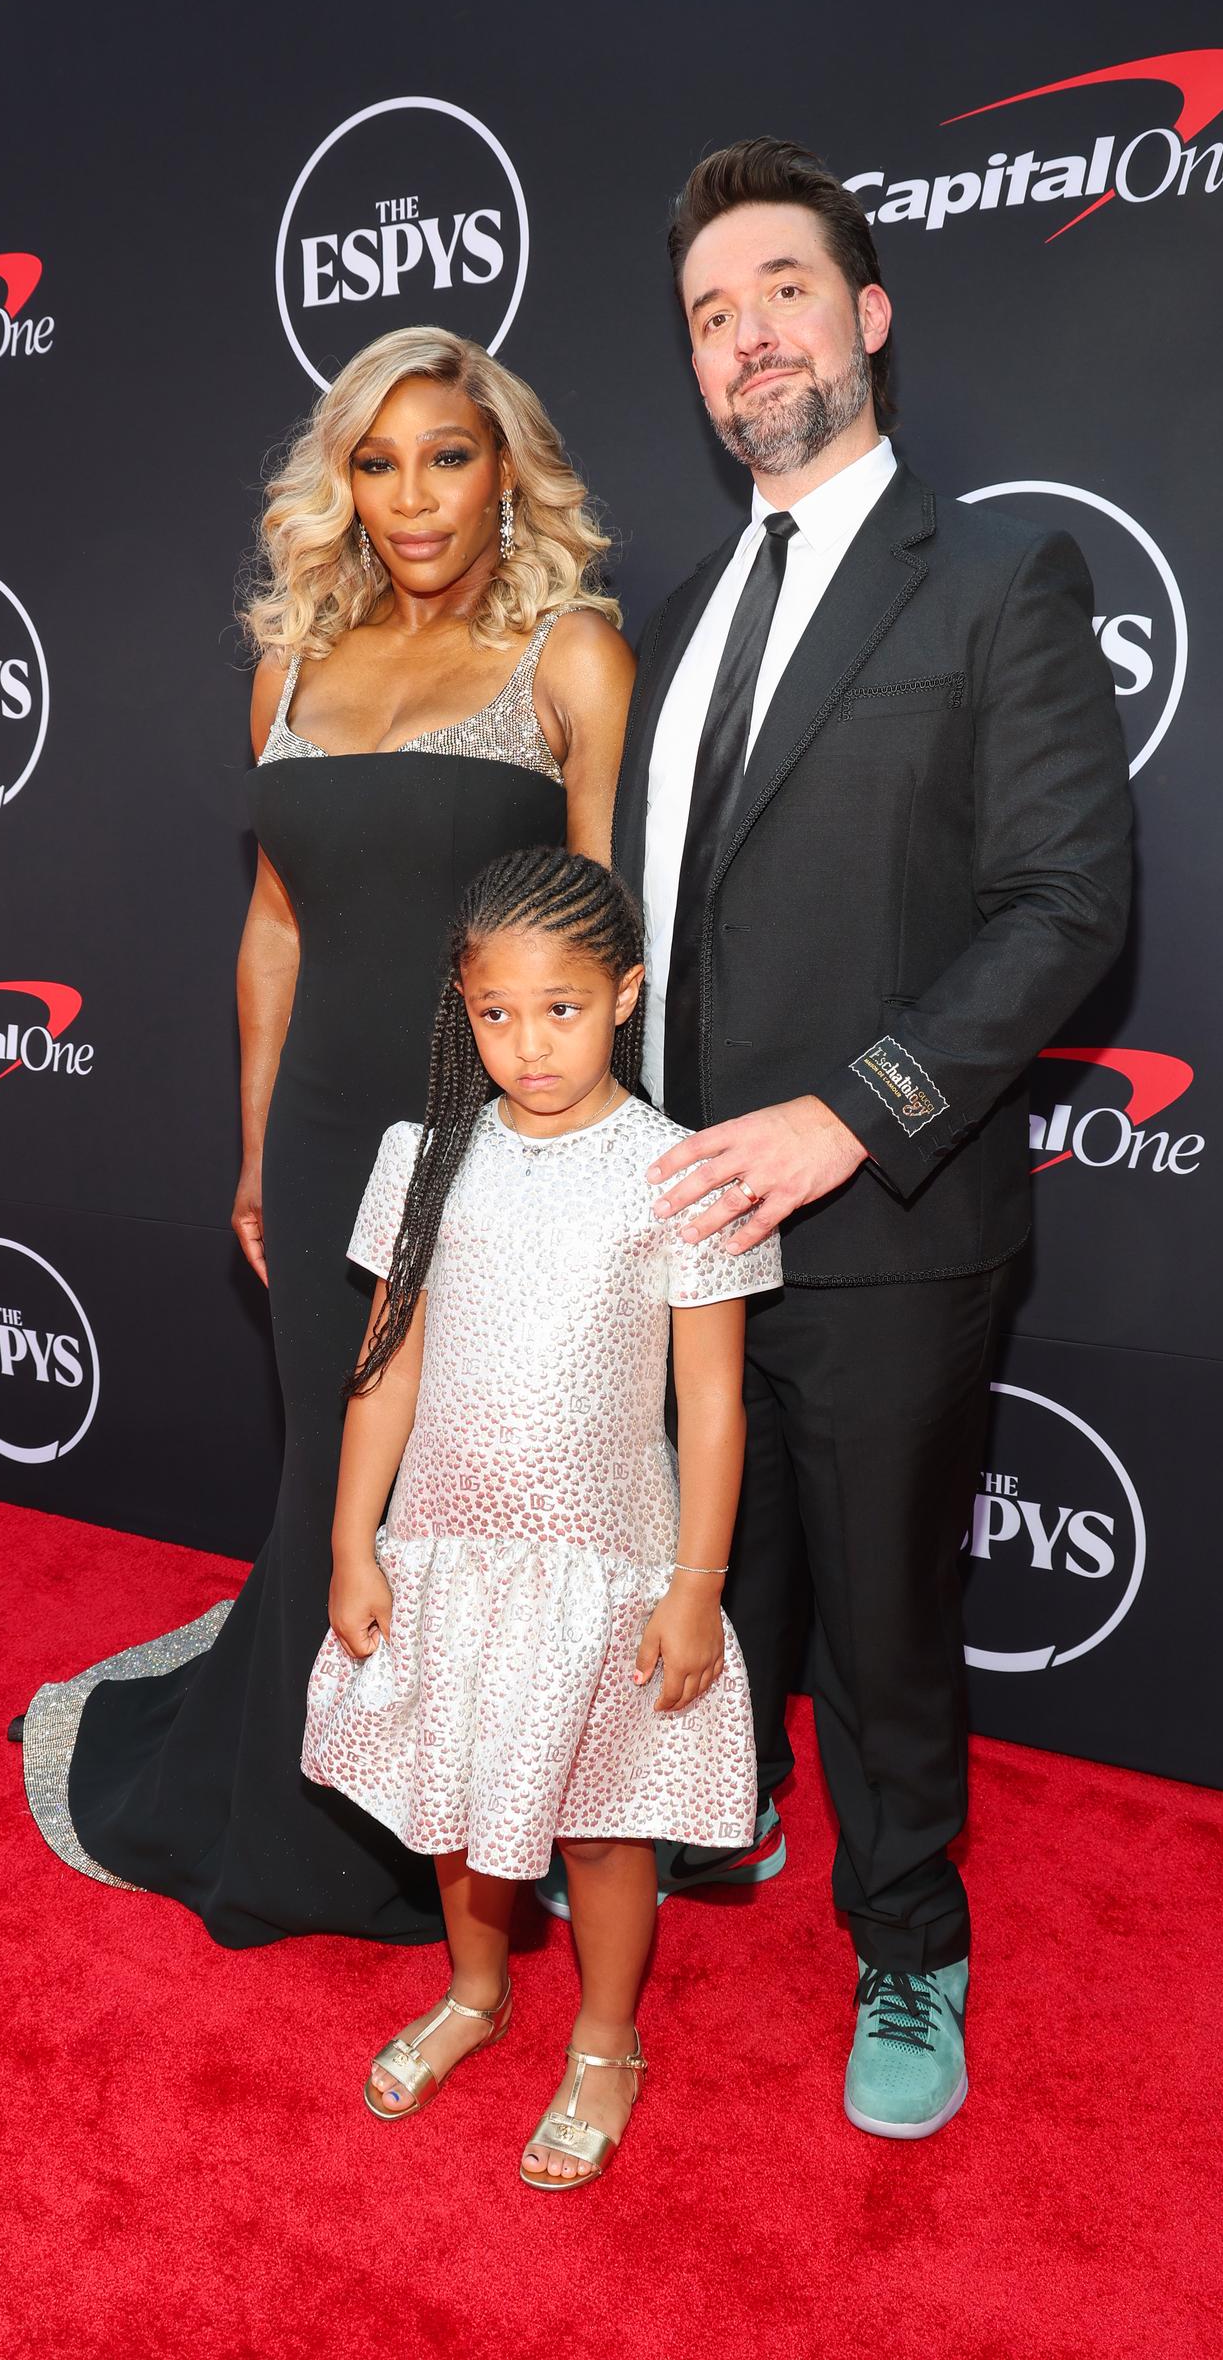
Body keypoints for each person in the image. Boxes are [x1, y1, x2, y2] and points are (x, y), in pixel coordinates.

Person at [607, 140, 1132, 2137]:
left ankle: (910, 1946)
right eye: (709, 317)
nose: (747, 340)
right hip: (679, 1219)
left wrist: (853, 1115)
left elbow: (1067, 907)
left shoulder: (994, 575)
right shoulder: (667, 618)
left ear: (868, 317)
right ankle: (721, 1807)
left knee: (894, 1621)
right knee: (716, 1567)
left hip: (886, 1217)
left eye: (780, 293)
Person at [17, 329, 634, 1949]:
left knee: (466, 1483)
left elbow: (615, 935)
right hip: (318, 1131)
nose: (413, 496)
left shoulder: (569, 656)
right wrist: (250, 1149)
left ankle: (476, 1812)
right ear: (338, 484)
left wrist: (594, 1172)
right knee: (337, 1474)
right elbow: (275, 930)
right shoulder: (285, 667)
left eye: (448, 454)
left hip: (486, 1131)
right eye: (377, 460)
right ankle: (313, 1801)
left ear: (507, 468)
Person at [301, 846, 780, 2185]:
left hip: (604, 1566)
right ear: (461, 1005)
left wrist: (694, 1586)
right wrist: (354, 1540)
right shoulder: (422, 1157)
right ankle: (474, 1990)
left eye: (561, 1008)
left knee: (602, 1821)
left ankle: (608, 2041)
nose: (528, 1045)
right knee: (459, 1791)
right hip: (449, 1548)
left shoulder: (683, 1170)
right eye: (495, 1013)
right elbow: (387, 1366)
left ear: (625, 995)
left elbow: (717, 1405)